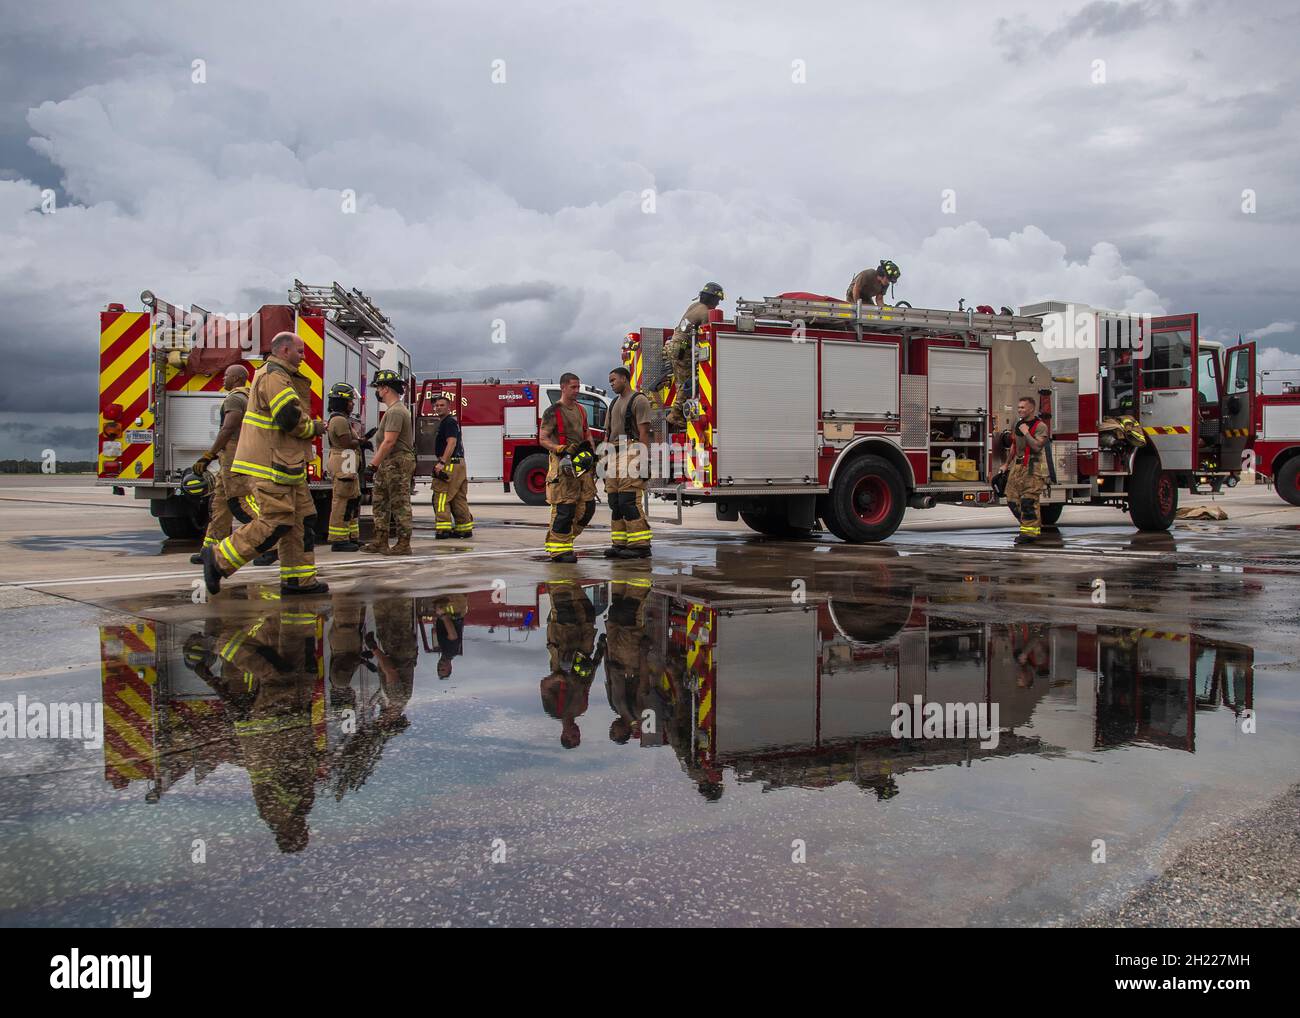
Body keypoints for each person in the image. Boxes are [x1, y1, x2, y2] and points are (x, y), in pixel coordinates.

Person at [200, 331, 328, 596]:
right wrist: (314, 427)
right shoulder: (274, 376)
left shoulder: (279, 375)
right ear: (284, 351)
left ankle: (298, 580)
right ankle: (219, 559)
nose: (303, 357)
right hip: (271, 464)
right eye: (300, 351)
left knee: (302, 519)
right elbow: (288, 419)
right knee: (277, 520)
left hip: (287, 463)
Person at [190, 364, 251, 564]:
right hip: (233, 453)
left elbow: (228, 428)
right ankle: (211, 549)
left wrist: (210, 454)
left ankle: (271, 540)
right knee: (220, 504)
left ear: (235, 378)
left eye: (226, 376)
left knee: (241, 503)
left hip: (233, 455)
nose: (222, 379)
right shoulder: (248, 397)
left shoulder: (235, 398)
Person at [538, 581, 604, 748]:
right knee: (587, 611)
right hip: (583, 649)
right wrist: (600, 653)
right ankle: (572, 580)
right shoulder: (581, 708)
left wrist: (560, 677)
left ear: (564, 734)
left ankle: (557, 577)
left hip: (563, 649)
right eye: (578, 735)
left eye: (573, 736)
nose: (577, 732)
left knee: (564, 608)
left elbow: (544, 685)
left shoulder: (554, 710)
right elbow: (587, 681)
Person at [540, 372, 597, 563]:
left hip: (582, 466)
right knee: (564, 510)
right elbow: (543, 438)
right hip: (562, 465)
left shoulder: (581, 410)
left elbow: (587, 434)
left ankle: (564, 541)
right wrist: (560, 449)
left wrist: (592, 455)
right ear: (563, 387)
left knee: (587, 508)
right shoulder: (552, 411)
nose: (576, 391)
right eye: (573, 387)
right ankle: (558, 551)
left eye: (578, 387)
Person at [362, 369, 416, 556]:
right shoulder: (393, 411)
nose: (377, 392)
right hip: (389, 462)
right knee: (380, 503)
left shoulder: (396, 412)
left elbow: (389, 441)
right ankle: (380, 541)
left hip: (397, 461)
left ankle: (403, 544)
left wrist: (372, 465)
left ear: (385, 389)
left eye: (378, 388)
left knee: (399, 503)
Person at [603, 366, 653, 559]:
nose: (611, 383)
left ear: (624, 379)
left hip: (631, 451)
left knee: (628, 500)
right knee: (614, 501)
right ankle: (620, 543)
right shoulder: (614, 402)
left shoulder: (639, 400)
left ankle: (640, 545)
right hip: (614, 453)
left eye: (614, 380)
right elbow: (608, 433)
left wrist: (643, 459)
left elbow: (644, 432)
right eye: (610, 381)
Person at [661, 282, 724, 430]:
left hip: (672, 346)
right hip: (682, 349)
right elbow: (707, 337)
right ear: (713, 298)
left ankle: (678, 413)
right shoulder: (706, 313)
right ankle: (675, 416)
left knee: (681, 382)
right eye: (718, 300)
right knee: (690, 381)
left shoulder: (694, 306)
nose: (718, 303)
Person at [1005, 396, 1051, 543]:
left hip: (1032, 466)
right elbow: (1014, 445)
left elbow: (1037, 446)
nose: (1019, 410)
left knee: (1028, 501)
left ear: (1031, 408)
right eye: (1018, 407)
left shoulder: (1040, 426)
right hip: (1017, 467)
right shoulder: (1018, 424)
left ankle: (1030, 533)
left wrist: (1026, 432)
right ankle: (1029, 525)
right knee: (1012, 499)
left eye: (1023, 407)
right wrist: (1006, 464)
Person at [325, 382, 364, 552]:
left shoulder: (341, 419)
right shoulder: (339, 420)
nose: (352, 404)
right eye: (349, 401)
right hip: (343, 464)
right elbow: (347, 443)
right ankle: (338, 539)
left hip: (347, 464)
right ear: (342, 402)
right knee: (342, 502)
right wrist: (362, 441)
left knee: (352, 501)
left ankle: (350, 536)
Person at [430, 394, 473, 539]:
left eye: (442, 405)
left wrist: (442, 462)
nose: (438, 408)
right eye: (436, 405)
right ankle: (464, 528)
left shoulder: (447, 423)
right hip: (459, 463)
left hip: (449, 464)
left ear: (449, 407)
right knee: (458, 497)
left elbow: (452, 442)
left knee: (441, 495)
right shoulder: (451, 422)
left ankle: (443, 529)